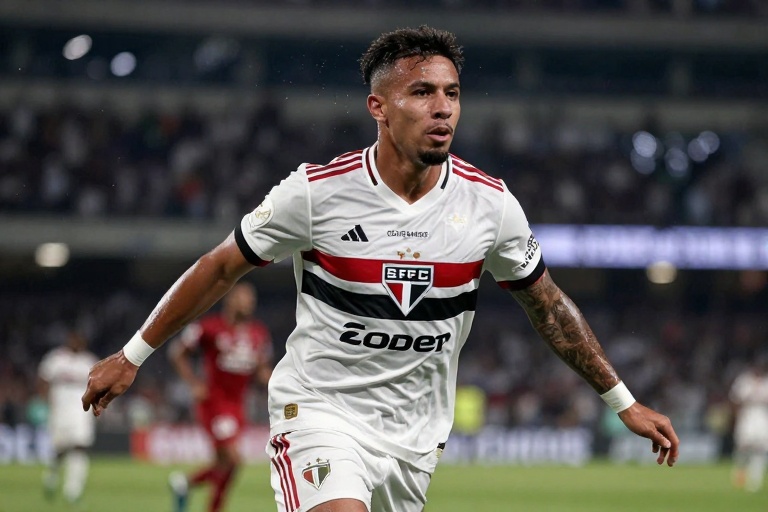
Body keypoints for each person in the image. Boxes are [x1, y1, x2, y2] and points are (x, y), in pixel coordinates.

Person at [82, 25, 680, 512]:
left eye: (452, 93)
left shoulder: (490, 206)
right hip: (319, 412)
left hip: (415, 438)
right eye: (422, 93)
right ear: (379, 107)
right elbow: (218, 268)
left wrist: (622, 400)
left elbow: (546, 305)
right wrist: (132, 355)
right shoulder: (316, 194)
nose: (442, 108)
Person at [166, 282, 273, 512]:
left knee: (225, 465)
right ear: (230, 300)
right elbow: (177, 353)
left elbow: (262, 370)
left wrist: (277, 382)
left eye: (251, 299)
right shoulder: (209, 327)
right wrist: (194, 383)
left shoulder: (258, 333)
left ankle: (184, 484)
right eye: (243, 298)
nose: (248, 303)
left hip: (238, 406)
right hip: (214, 403)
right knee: (233, 459)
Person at [38, 330, 98, 504]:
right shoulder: (56, 359)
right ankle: (51, 476)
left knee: (80, 447)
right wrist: (45, 402)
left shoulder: (90, 361)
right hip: (60, 411)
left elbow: (98, 387)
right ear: (69, 340)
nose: (77, 342)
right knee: (61, 449)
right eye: (74, 339)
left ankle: (73, 492)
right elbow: (43, 380)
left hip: (81, 412)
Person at [729, 354, 768, 492]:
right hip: (747, 416)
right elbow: (735, 399)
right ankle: (740, 474)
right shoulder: (744, 381)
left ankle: (755, 480)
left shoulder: (766, 382)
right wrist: (736, 417)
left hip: (762, 417)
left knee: (760, 449)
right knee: (743, 447)